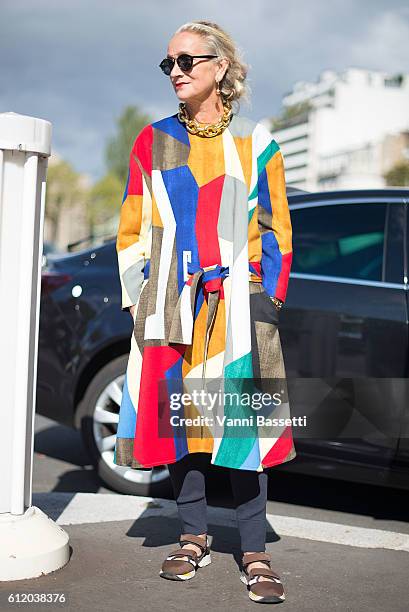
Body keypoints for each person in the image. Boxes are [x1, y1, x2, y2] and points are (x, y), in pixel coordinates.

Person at [113, 20, 297, 604]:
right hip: (170, 300)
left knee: (241, 424)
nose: (176, 72)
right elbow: (130, 228)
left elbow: (278, 229)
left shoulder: (258, 142)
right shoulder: (152, 140)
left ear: (221, 66)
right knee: (184, 426)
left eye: (188, 60)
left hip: (240, 305)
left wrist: (266, 300)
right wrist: (142, 296)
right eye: (168, 63)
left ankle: (254, 550)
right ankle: (192, 534)